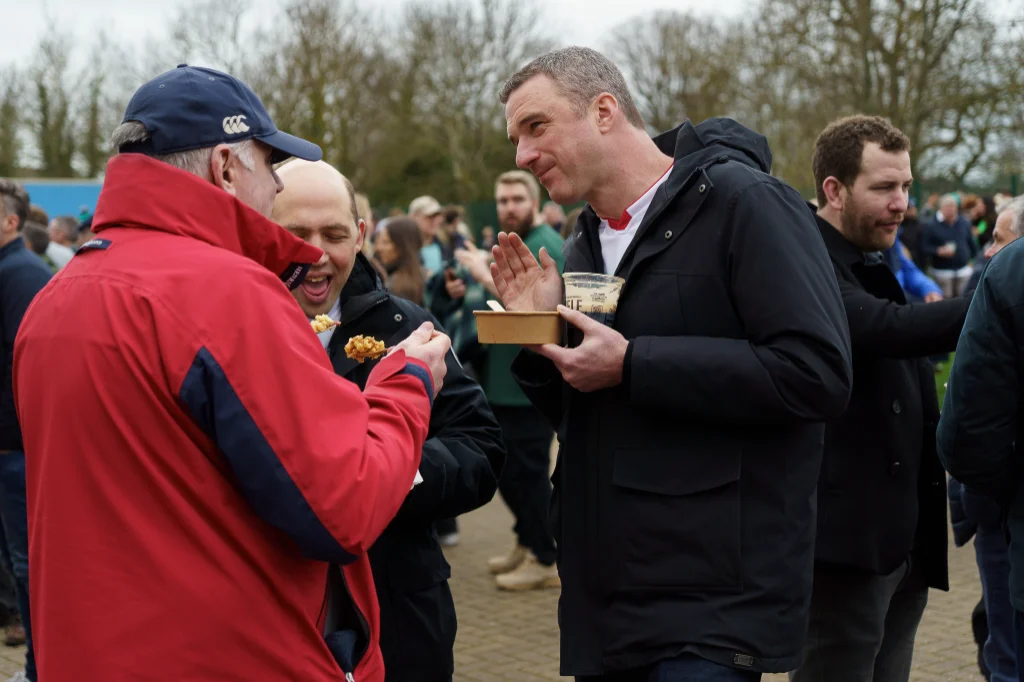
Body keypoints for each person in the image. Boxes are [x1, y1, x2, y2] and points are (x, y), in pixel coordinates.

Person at [13, 64, 451, 682]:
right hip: (231, 654)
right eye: (269, 166)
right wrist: (403, 385)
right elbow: (341, 509)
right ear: (225, 166)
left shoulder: (60, 292)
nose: (276, 188)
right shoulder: (227, 291)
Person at [492, 46, 852, 680]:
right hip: (607, 595)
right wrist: (542, 336)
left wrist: (636, 363)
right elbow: (589, 407)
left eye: (536, 127)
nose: (521, 155)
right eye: (516, 136)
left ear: (604, 110)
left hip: (710, 601)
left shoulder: (746, 203)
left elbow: (817, 373)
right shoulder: (585, 239)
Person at [272, 159, 505, 682]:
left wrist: (394, 471)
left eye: (332, 234)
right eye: (295, 234)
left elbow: (481, 447)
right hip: (274, 613)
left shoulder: (406, 326)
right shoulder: (232, 325)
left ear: (359, 236)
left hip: (397, 605)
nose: (315, 253)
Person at [788, 115, 971, 682]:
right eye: (885, 188)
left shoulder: (871, 256)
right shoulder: (803, 263)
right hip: (844, 551)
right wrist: (1004, 290)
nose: (902, 204)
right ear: (834, 191)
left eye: (907, 187)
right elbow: (886, 330)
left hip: (899, 544)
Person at [439, 170, 565, 591]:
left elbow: (543, 308)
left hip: (529, 387)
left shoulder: (546, 243)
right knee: (509, 472)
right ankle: (528, 541)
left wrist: (481, 274)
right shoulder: (520, 242)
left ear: (534, 201)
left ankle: (547, 556)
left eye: (517, 199)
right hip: (504, 379)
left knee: (523, 474)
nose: (509, 207)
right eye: (502, 199)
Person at [938, 195, 1024, 682]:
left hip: (1005, 514)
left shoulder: (1007, 278)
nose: (988, 251)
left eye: (999, 238)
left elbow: (967, 430)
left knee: (1007, 654)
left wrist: (999, 493)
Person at [0, 180, 51, 682]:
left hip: (17, 451)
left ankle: (39, 669)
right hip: (10, 450)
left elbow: (25, 364)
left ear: (11, 222)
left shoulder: (20, 273)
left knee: (28, 568)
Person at [922, 194, 978, 297]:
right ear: (941, 208)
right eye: (948, 207)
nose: (951, 210)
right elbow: (924, 247)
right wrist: (938, 251)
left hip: (963, 270)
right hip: (942, 272)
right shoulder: (931, 225)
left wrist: (973, 260)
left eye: (953, 207)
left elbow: (971, 243)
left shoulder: (964, 222)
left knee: (964, 298)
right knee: (947, 300)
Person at [375, 217, 427, 305]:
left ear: (403, 246)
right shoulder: (421, 276)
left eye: (386, 242)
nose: (379, 248)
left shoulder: (396, 289)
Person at [409, 195, 445, 276]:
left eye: (437, 215)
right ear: (413, 217)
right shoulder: (404, 249)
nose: (435, 220)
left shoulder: (445, 245)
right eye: (430, 216)